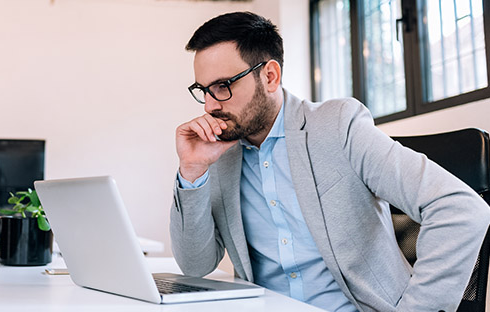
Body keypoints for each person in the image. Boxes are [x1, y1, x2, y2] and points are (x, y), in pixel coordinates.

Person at [170, 11, 490, 312]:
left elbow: (461, 210)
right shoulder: (222, 153)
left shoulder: (337, 126)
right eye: (203, 90)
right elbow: (197, 265)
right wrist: (193, 171)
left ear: (270, 76)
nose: (210, 105)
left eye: (223, 86)